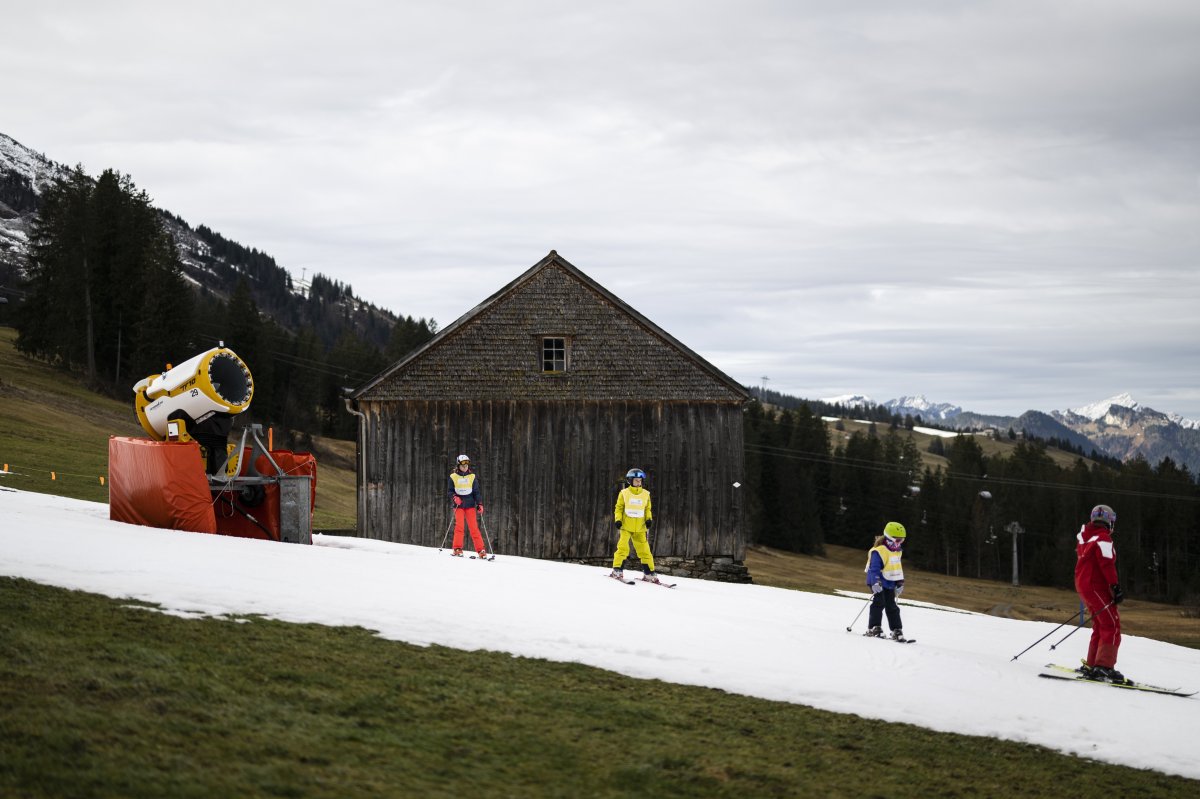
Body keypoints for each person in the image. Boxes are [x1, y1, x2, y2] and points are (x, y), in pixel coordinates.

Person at [1075, 504, 1126, 683]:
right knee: (1112, 624)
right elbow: (1106, 563)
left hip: (1084, 584)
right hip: (1095, 585)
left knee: (1101, 623)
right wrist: (1115, 586)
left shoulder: (1086, 537)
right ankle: (1104, 666)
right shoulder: (1103, 538)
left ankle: (1093, 663)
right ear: (1109, 522)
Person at [610, 468, 661, 583]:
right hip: (626, 526)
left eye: (640, 481)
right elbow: (618, 509)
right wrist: (618, 520)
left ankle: (649, 573)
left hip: (640, 527)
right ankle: (617, 570)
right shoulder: (624, 493)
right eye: (636, 480)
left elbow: (648, 509)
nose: (638, 483)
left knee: (645, 550)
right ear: (630, 481)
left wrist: (649, 519)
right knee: (623, 548)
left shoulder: (645, 494)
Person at [864, 522, 907, 641]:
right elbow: (874, 569)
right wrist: (875, 582)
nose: (899, 543)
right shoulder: (878, 551)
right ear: (888, 537)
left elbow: (897, 567)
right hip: (877, 581)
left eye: (901, 540)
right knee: (879, 602)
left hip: (890, 581)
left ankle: (896, 629)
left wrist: (900, 583)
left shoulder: (897, 551)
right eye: (897, 540)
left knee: (892, 606)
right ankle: (874, 627)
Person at [447, 454, 486, 558]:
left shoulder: (472, 476)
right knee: (459, 526)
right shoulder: (453, 477)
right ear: (458, 465)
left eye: (467, 465)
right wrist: (455, 497)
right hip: (459, 506)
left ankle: (481, 550)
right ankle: (457, 548)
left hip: (470, 505)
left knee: (474, 528)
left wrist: (480, 503)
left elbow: (476, 492)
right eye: (463, 465)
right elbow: (450, 491)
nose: (465, 467)